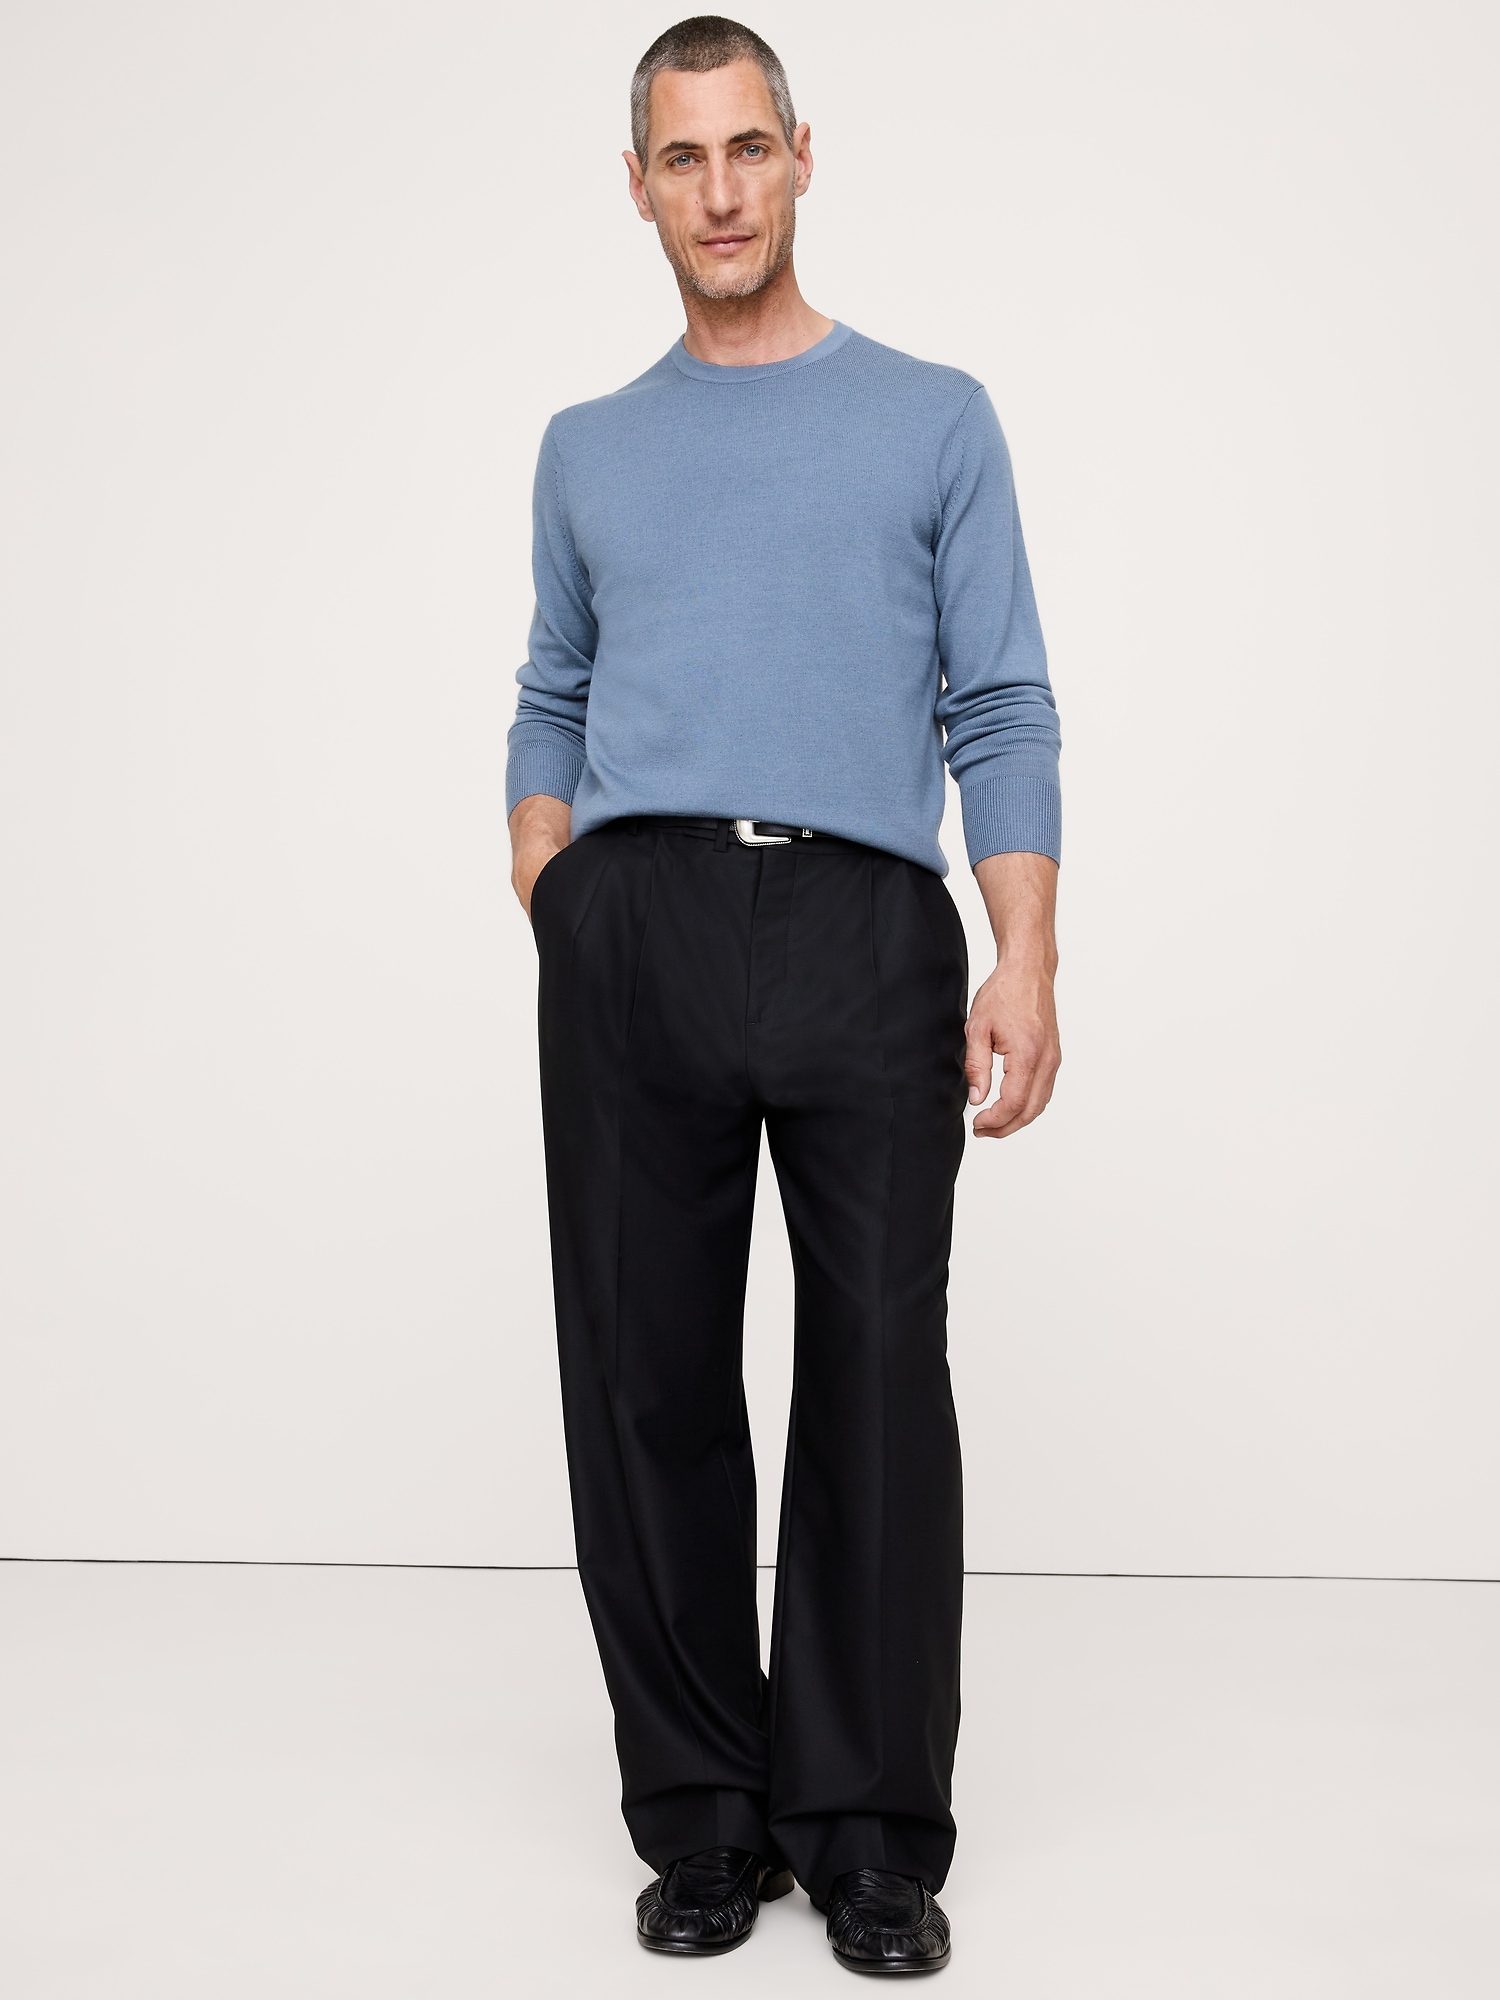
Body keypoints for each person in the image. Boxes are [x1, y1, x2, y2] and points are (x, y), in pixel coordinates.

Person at [506, 15, 1061, 1975]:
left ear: (805, 158)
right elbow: (552, 683)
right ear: (638, 185)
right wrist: (555, 879)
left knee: (878, 1378)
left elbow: (1001, 700)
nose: (721, 190)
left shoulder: (935, 418)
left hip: (862, 922)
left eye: (749, 148)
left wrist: (1025, 952)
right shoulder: (589, 446)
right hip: (638, 922)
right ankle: (704, 1817)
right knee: (646, 1375)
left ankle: (871, 1828)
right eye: (684, 157)